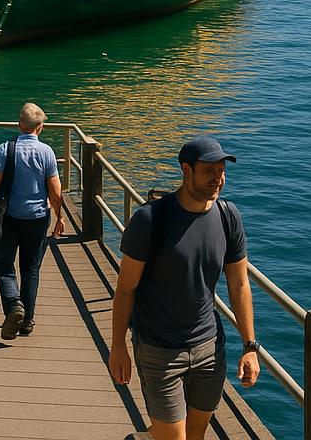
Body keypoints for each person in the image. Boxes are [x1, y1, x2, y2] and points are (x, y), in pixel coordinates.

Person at [108, 135, 259, 440]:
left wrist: (250, 346)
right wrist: (118, 346)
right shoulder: (151, 219)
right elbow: (126, 289)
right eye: (209, 172)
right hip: (159, 351)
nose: (218, 179)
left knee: (196, 435)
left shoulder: (228, 217)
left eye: (221, 171)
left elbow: (239, 283)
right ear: (186, 171)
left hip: (209, 348)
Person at [0, 102, 64, 340]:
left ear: (19, 124)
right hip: (38, 218)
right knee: (31, 269)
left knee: (4, 265)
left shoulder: (4, 150)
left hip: (8, 218)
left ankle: (13, 306)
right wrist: (60, 216)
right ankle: (27, 321)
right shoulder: (47, 152)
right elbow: (55, 191)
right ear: (41, 127)